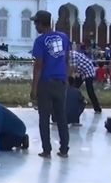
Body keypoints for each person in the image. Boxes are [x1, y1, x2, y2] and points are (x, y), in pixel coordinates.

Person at [30, 10, 70, 159]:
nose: (35, 26)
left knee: (44, 118)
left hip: (45, 83)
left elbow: (38, 65)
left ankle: (47, 150)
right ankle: (64, 149)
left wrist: (34, 87)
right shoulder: (64, 37)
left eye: (36, 23)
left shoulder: (40, 41)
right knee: (61, 116)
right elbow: (66, 59)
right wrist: (66, 78)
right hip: (60, 82)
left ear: (41, 23)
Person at [71, 48, 103, 113]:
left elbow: (73, 70)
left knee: (90, 91)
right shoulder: (68, 56)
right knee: (73, 88)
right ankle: (80, 101)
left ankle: (97, 108)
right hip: (81, 71)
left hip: (88, 71)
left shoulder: (72, 55)